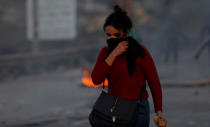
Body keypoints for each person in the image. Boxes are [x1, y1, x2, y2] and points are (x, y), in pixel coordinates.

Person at [91, 5, 167, 127]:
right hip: (115, 109)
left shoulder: (140, 52)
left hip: (138, 109)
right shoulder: (105, 52)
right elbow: (96, 79)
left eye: (115, 35)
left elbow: (154, 82)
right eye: (108, 35)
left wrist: (159, 110)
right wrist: (114, 54)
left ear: (125, 32)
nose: (111, 38)